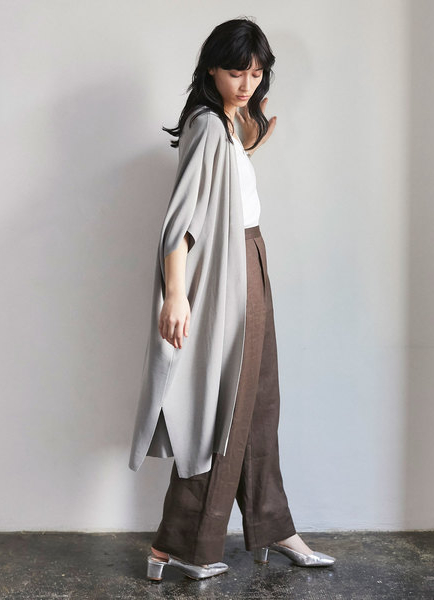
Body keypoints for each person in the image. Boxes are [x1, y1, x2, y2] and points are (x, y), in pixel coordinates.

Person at [128, 17, 336, 581]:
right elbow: (181, 224)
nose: (247, 84)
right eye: (236, 72)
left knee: (260, 404)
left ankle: (273, 527)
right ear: (212, 70)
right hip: (226, 273)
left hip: (250, 259)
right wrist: (176, 295)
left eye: (256, 73)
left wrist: (248, 139)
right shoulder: (204, 125)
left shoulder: (224, 126)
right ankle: (174, 546)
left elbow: (227, 189)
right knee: (221, 411)